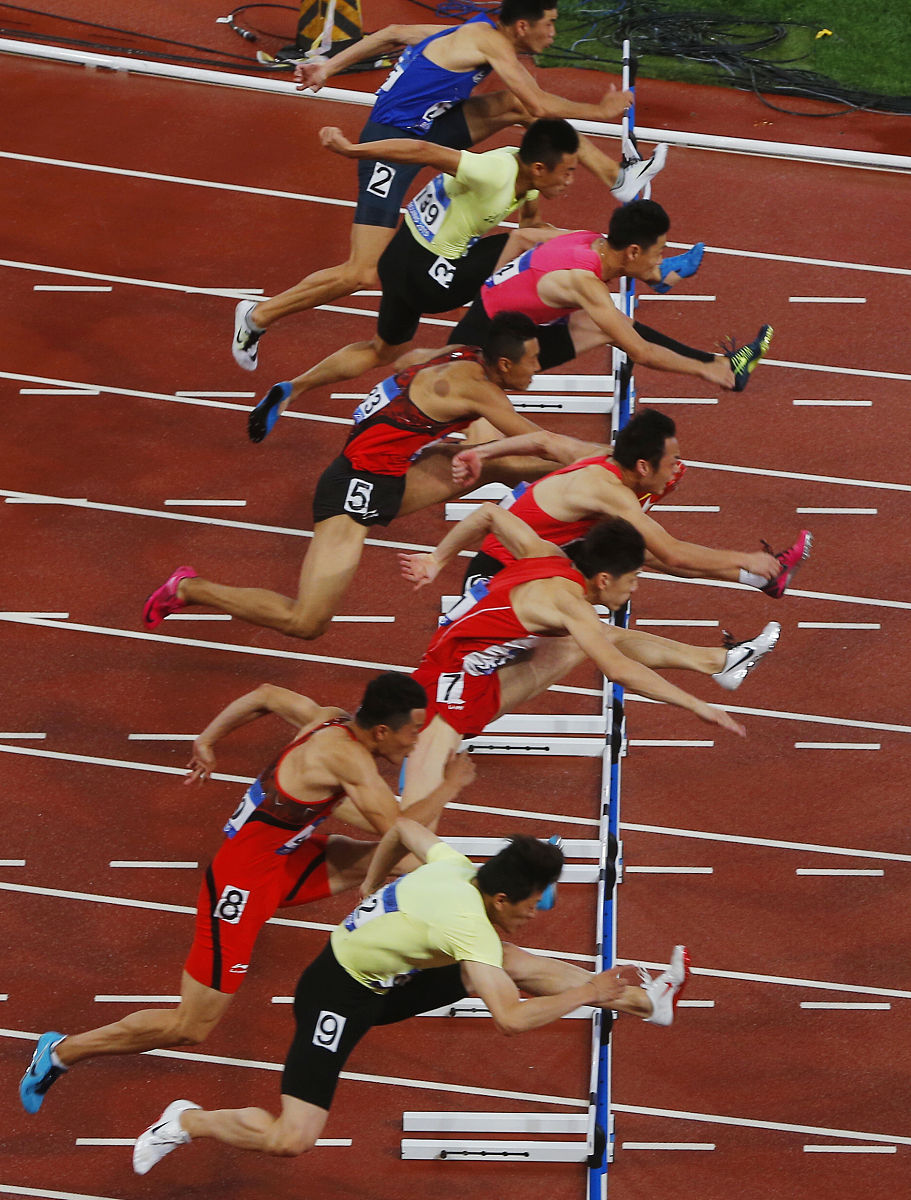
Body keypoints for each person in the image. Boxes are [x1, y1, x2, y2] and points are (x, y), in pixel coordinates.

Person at [19, 674, 475, 1116]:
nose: (416, 743)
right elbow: (400, 827)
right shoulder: (347, 758)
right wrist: (451, 785)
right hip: (241, 881)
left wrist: (207, 739)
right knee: (190, 1026)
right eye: (413, 732)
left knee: (413, 862)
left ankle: (467, 929)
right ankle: (60, 1052)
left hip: (283, 858)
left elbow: (266, 695)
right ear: (381, 731)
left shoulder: (330, 719)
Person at [130, 824, 690, 1173]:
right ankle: (186, 1121)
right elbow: (511, 1021)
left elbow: (402, 828)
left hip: (391, 981)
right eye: (532, 903)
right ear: (500, 898)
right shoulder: (470, 926)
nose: (535, 913)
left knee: (512, 961)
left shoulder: (455, 865)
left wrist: (371, 882)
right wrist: (588, 990)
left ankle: (649, 1002)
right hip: (335, 996)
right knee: (291, 1138)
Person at [232, 0, 638, 371]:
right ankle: (257, 315)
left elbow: (392, 32)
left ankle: (618, 177)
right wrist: (600, 110)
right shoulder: (489, 40)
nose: (552, 33)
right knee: (361, 272)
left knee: (511, 105)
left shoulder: (475, 29)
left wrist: (327, 68)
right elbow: (539, 104)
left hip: (428, 127)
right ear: (521, 26)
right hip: (391, 141)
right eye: (548, 24)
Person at [146, 314, 587, 642]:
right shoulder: (478, 389)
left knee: (491, 463)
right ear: (505, 364)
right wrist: (610, 454)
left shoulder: (460, 353)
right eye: (534, 360)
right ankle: (188, 589)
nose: (538, 367)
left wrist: (301, 389)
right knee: (307, 621)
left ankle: (596, 485)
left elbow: (407, 362)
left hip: (389, 473)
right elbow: (541, 441)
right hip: (353, 489)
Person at [247, 119, 693, 442]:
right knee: (518, 253)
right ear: (540, 168)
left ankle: (291, 389)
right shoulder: (495, 171)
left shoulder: (525, 179)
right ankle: (432, 359)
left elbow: (539, 232)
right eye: (569, 171)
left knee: (382, 349)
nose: (572, 180)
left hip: (399, 259)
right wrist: (352, 150)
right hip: (429, 274)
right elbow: (423, 151)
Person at [398, 507, 781, 803]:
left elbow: (489, 513)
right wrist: (696, 705)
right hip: (449, 694)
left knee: (591, 637)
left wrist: (436, 559)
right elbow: (618, 671)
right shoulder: (571, 605)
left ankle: (718, 663)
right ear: (604, 579)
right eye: (633, 580)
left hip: (464, 673)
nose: (634, 590)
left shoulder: (545, 555)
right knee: (412, 828)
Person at [452, 407, 812, 598]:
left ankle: (762, 580)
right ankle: (756, 580)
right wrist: (744, 557)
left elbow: (543, 441)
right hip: (496, 576)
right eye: (671, 462)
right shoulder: (609, 491)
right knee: (597, 635)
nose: (677, 469)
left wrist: (482, 453)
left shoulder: (601, 456)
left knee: (633, 549)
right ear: (642, 466)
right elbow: (673, 553)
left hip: (536, 556)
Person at [448, 198, 773, 389]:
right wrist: (702, 372)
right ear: (633, 251)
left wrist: (489, 287)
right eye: (658, 253)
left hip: (496, 319)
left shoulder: (587, 239)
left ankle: (721, 362)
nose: (660, 256)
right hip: (485, 345)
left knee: (602, 324)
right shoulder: (585, 282)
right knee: (475, 416)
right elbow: (641, 352)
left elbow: (521, 237)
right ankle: (717, 366)